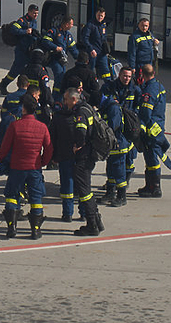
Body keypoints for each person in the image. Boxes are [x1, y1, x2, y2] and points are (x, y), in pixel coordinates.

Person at [0, 95, 54, 239]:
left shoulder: (15, 126)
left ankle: (12, 227)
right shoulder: (42, 127)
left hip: (17, 168)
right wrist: (43, 162)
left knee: (12, 196)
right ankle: (35, 230)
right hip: (34, 168)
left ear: (23, 109)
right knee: (36, 198)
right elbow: (48, 148)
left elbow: (5, 147)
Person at [63, 88, 104, 236]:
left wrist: (78, 145)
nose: (65, 102)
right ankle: (97, 220)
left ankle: (92, 225)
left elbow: (81, 131)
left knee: (84, 191)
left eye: (66, 99)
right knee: (87, 189)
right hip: (90, 154)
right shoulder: (87, 107)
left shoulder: (80, 112)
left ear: (74, 99)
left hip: (84, 157)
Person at [136, 64, 171, 198]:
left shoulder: (149, 90)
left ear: (143, 74)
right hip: (158, 126)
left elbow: (146, 112)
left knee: (151, 157)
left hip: (151, 129)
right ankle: (150, 185)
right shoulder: (159, 86)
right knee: (151, 156)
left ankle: (155, 187)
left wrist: (141, 126)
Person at [103, 66, 141, 193]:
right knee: (114, 159)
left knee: (129, 158)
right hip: (115, 128)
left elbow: (138, 107)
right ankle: (113, 184)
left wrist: (134, 119)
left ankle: (125, 179)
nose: (127, 79)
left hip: (129, 129)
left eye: (129, 76)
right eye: (125, 76)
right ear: (119, 75)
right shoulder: (109, 87)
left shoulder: (135, 90)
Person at [97, 93, 132, 207]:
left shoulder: (113, 108)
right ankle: (110, 193)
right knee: (110, 170)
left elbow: (112, 126)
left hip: (119, 146)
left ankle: (122, 196)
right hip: (111, 146)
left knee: (119, 172)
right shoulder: (106, 107)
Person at [0, 5, 39, 94]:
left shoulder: (34, 21)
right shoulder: (22, 21)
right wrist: (25, 31)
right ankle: (3, 84)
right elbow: (13, 29)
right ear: (29, 12)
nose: (36, 15)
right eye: (34, 13)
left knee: (26, 71)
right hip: (21, 51)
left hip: (29, 50)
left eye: (37, 13)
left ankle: (23, 88)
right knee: (16, 70)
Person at [49, 94, 76, 221]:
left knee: (67, 185)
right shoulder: (82, 114)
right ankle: (83, 213)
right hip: (78, 157)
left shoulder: (58, 117)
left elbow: (52, 138)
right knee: (81, 185)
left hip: (65, 156)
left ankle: (68, 214)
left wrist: (53, 156)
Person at [40, 15, 78, 93]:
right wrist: (55, 47)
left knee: (62, 78)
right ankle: (56, 97)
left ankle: (58, 95)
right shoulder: (54, 31)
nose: (72, 26)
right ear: (66, 24)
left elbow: (73, 49)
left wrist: (80, 58)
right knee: (60, 78)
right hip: (54, 59)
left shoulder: (68, 35)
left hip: (61, 60)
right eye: (71, 24)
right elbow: (45, 41)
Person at [79, 7, 111, 80]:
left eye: (101, 16)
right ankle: (90, 85)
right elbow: (85, 38)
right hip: (92, 53)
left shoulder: (103, 25)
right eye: (98, 15)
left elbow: (104, 39)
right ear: (96, 14)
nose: (100, 17)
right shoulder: (90, 25)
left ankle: (108, 85)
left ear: (104, 16)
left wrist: (106, 50)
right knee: (90, 71)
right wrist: (91, 49)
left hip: (102, 53)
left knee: (106, 72)